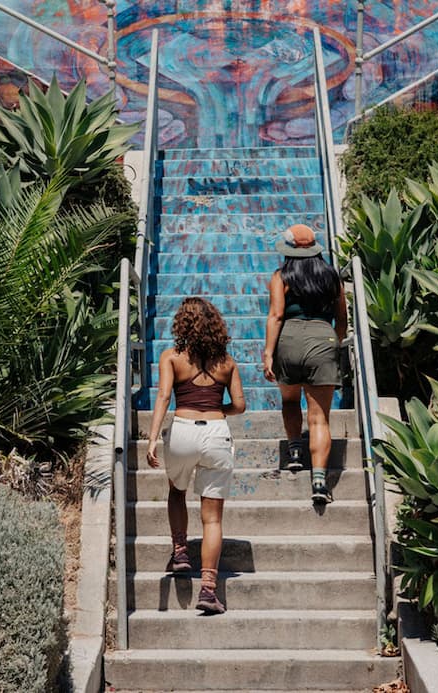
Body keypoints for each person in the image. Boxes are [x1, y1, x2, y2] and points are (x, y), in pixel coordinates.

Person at [146, 297, 246, 615]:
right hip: (217, 433)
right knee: (213, 517)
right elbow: (240, 406)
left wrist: (151, 440)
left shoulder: (172, 357)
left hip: (182, 432)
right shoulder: (227, 363)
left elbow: (163, 396)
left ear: (182, 324)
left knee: (177, 491)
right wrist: (218, 409)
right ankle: (208, 589)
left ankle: (180, 552)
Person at [262, 224, 347, 504]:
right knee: (320, 417)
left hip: (288, 339)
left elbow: (276, 316)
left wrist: (268, 353)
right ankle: (320, 482)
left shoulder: (281, 276)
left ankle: (296, 451)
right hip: (323, 338)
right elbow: (342, 318)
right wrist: (333, 342)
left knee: (289, 400)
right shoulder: (332, 276)